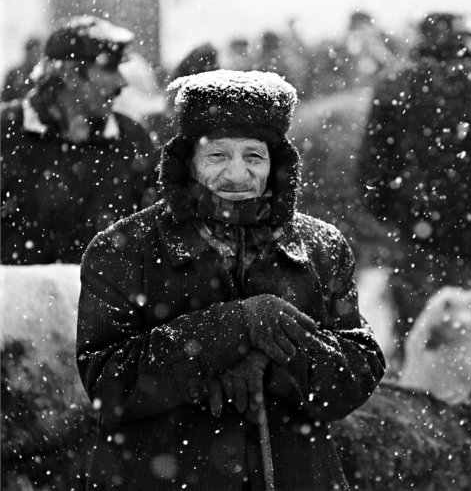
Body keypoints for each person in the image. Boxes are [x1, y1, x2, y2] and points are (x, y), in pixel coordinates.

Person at [76, 69, 385, 490]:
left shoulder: (322, 248)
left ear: (277, 164)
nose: (238, 175)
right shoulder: (124, 249)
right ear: (188, 162)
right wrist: (231, 329)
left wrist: (273, 362)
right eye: (217, 155)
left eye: (253, 156)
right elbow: (107, 384)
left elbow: (356, 374)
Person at [358, 13, 471, 367]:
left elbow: (372, 167)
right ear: (459, 39)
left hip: (415, 221)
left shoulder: (393, 84)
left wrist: (391, 212)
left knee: (417, 320)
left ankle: (417, 389)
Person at [1, 15, 156, 265]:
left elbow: (157, 237)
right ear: (71, 74)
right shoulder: (6, 132)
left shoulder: (132, 140)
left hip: (106, 302)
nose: (121, 82)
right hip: (17, 300)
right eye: (109, 68)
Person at [1, 36, 43, 102]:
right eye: (33, 53)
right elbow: (4, 101)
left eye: (38, 53)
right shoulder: (14, 75)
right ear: (27, 53)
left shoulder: (43, 75)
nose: (35, 56)